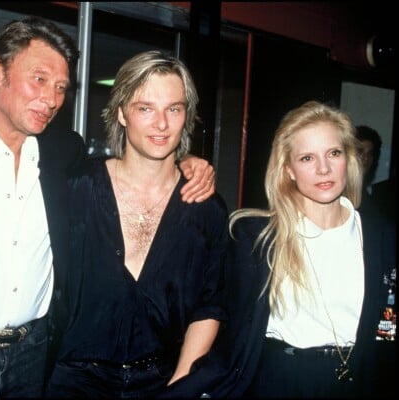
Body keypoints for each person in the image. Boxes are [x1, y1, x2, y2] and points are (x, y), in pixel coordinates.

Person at [0, 17, 216, 398]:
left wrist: (186, 161)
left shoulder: (63, 152)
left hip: (36, 356)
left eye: (61, 87)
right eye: (39, 79)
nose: (52, 99)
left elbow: (144, 157)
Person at [159, 101, 396, 398]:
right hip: (277, 380)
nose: (323, 168)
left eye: (333, 153)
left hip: (358, 381)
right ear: (289, 170)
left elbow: (387, 331)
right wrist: (182, 161)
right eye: (307, 158)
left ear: (349, 159)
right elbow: (210, 311)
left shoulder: (382, 238)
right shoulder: (255, 238)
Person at [46, 51, 229, 398]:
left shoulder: (206, 209)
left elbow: (210, 305)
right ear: (121, 113)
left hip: (162, 382)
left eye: (173, 109)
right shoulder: (76, 187)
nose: (161, 124)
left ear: (186, 116)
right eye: (145, 108)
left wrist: (180, 386)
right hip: (71, 381)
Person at [355, 125, 382, 215]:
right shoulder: (336, 190)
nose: (365, 158)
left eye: (370, 153)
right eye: (360, 151)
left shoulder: (368, 198)